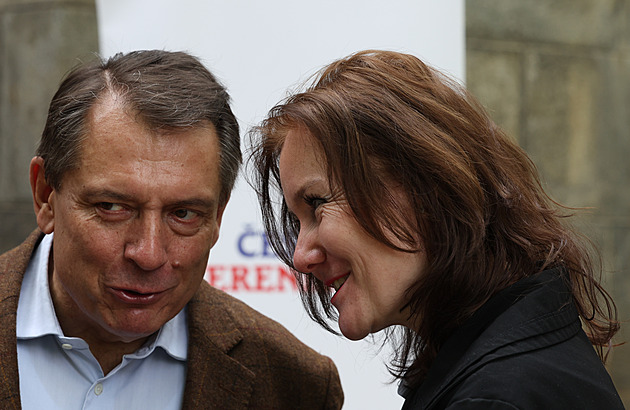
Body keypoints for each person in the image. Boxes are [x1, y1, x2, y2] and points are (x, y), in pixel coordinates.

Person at [251, 50, 624, 409]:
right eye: (297, 221)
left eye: (317, 203)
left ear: (422, 185)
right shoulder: (498, 369)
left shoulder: (496, 396)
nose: (300, 257)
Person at [0, 50, 343, 410]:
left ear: (218, 217)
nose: (149, 254)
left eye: (183, 214)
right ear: (45, 196)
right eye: (113, 207)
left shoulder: (293, 385)